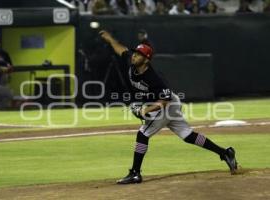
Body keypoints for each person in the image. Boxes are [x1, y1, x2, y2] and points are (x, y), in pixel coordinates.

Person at [99, 30, 238, 184]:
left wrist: (146, 110)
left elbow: (164, 100)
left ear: (146, 60)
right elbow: (122, 50)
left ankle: (135, 173)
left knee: (143, 133)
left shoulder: (154, 77)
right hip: (168, 103)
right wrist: (110, 39)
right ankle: (225, 153)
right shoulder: (132, 64)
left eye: (138, 55)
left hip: (167, 104)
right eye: (135, 53)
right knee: (187, 135)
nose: (134, 56)